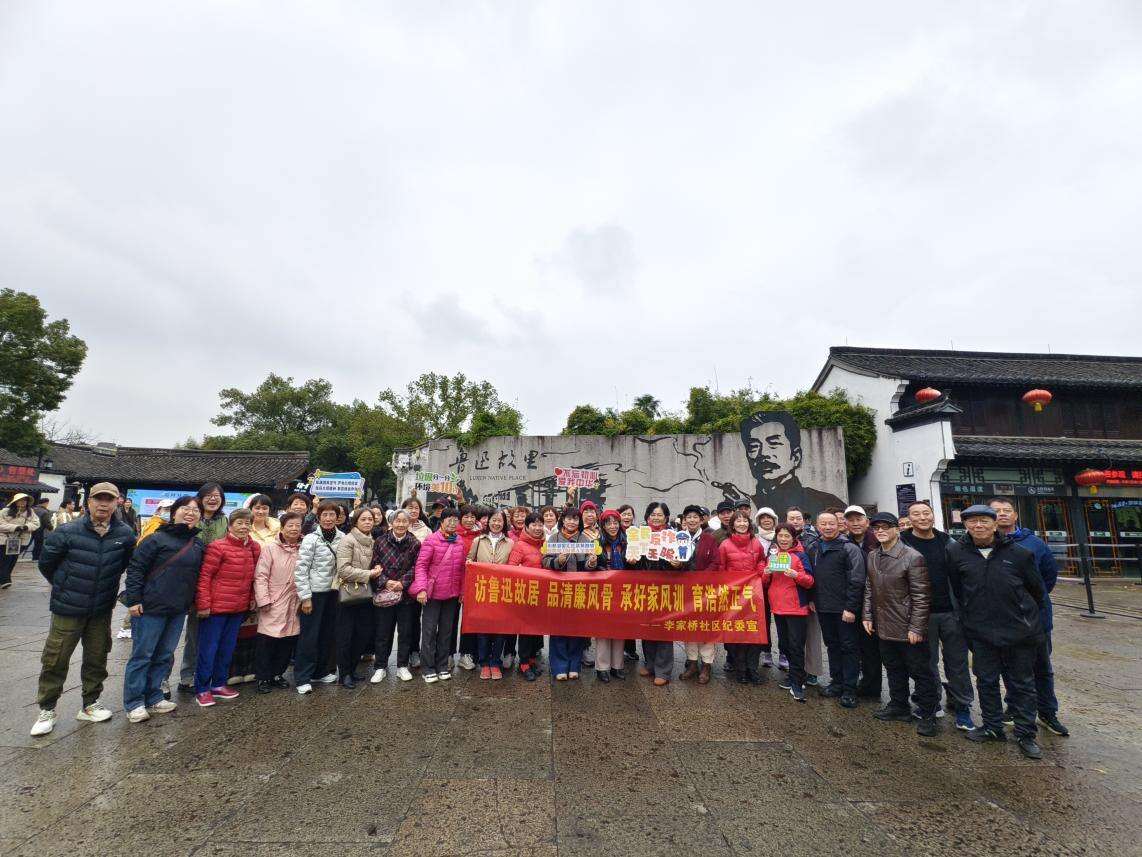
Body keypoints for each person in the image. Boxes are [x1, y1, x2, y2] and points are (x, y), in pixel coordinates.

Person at [30, 483, 135, 736]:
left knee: (97, 657)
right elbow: (47, 564)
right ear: (89, 502)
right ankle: (47, 708)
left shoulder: (124, 534)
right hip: (68, 608)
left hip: (101, 608)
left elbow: (126, 565)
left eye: (109, 499)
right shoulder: (68, 531)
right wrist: (65, 585)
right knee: (56, 658)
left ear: (116, 503)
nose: (103, 504)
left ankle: (90, 703)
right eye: (98, 499)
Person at [947, 504, 1046, 759]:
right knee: (986, 680)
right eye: (972, 521)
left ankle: (1025, 733)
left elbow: (1037, 590)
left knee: (1022, 684)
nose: (978, 525)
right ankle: (992, 726)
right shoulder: (956, 552)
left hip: (1018, 630)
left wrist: (1027, 619)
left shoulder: (1019, 553)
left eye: (984, 520)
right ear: (965, 525)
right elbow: (958, 589)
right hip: (981, 630)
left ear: (994, 524)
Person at [990, 497, 1068, 738]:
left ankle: (1047, 711)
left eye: (1007, 510)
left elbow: (1048, 577)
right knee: (1008, 667)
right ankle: (1014, 707)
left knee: (1041, 668)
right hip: (1001, 618)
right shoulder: (984, 544)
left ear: (1015, 515)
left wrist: (1030, 601)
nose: (1002, 514)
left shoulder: (1034, 544)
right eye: (996, 511)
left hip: (1035, 619)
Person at [121, 496, 204, 722]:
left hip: (177, 609)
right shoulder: (156, 539)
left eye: (196, 510)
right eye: (185, 508)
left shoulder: (197, 544)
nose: (191, 513)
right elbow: (136, 569)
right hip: (150, 607)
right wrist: (134, 600)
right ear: (174, 513)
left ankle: (154, 696)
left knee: (164, 655)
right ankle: (134, 702)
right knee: (143, 655)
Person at [862, 512, 939, 737]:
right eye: (876, 528)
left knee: (921, 672)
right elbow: (869, 588)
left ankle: (928, 714)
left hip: (907, 626)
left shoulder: (912, 557)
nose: (880, 531)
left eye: (886, 527)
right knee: (894, 668)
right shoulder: (873, 555)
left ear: (897, 529)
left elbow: (922, 597)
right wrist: (867, 615)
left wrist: (916, 627)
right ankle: (899, 705)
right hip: (883, 624)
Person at [902, 500, 975, 730]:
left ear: (933, 516)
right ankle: (931, 703)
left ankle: (963, 707)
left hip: (950, 612)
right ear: (909, 519)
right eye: (916, 514)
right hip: (921, 615)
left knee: (957, 663)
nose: (922, 518)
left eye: (926, 513)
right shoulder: (902, 543)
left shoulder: (949, 543)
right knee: (926, 663)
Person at [194, 508, 259, 706]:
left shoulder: (253, 548)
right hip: (216, 608)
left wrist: (251, 599)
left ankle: (219, 684)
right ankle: (202, 689)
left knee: (227, 648)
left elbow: (253, 578)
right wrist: (203, 604)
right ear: (230, 526)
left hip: (238, 608)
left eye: (247, 523)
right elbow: (205, 576)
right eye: (239, 523)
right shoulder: (217, 547)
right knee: (208, 649)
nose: (244, 527)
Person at [805, 510, 865, 708]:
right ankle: (836, 682)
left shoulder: (849, 548)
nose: (828, 527)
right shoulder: (813, 547)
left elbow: (857, 580)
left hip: (844, 609)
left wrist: (851, 607)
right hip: (823, 606)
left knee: (849, 647)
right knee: (832, 645)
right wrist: (812, 598)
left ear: (839, 525)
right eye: (823, 524)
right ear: (817, 526)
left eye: (831, 523)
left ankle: (850, 689)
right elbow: (811, 576)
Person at [175, 482, 229, 695]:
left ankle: (201, 675)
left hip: (216, 582)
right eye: (208, 495)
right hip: (188, 579)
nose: (213, 499)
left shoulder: (225, 521)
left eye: (217, 496)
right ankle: (185, 676)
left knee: (205, 632)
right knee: (189, 632)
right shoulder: (191, 518)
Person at [737, 411, 845, 515]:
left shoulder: (827, 504)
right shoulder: (743, 506)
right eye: (753, 447)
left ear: (796, 456)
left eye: (774, 443)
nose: (763, 453)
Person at [410, 507, 467, 684]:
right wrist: (421, 589)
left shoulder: (460, 541)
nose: (452, 523)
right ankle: (427, 668)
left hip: (452, 595)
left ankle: (442, 666)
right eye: (449, 519)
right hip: (433, 594)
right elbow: (421, 566)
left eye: (455, 520)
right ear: (441, 522)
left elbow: (463, 569)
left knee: (446, 632)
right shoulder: (431, 540)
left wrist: (462, 591)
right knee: (429, 631)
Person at [293, 501, 344, 694]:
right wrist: (305, 597)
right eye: (325, 515)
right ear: (319, 517)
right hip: (314, 594)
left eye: (332, 515)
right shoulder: (311, 539)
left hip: (334, 593)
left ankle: (320, 671)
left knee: (327, 634)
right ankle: (302, 677)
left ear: (337, 517)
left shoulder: (342, 537)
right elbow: (301, 569)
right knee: (309, 636)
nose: (329, 518)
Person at [542, 507, 597, 680]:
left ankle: (574, 665)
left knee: (576, 628)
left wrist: (591, 563)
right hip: (558, 591)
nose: (572, 522)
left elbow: (588, 565)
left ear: (579, 522)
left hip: (578, 591)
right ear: (563, 520)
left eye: (575, 519)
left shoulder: (585, 539)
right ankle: (559, 666)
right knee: (558, 628)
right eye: (568, 518)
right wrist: (557, 560)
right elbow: (544, 561)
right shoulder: (553, 538)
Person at [253, 511, 302, 693]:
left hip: (295, 601)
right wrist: (263, 599)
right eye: (290, 525)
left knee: (288, 640)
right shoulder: (271, 548)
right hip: (274, 600)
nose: (294, 529)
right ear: (282, 527)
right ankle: (263, 677)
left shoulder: (304, 547)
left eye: (297, 525)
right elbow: (261, 576)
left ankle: (277, 674)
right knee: (268, 640)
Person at [763, 523, 814, 701]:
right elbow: (765, 582)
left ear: (793, 538)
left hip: (796, 608)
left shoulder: (801, 555)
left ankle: (797, 683)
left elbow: (810, 581)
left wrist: (796, 575)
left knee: (796, 646)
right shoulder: (773, 555)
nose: (783, 539)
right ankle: (794, 675)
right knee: (784, 645)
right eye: (780, 536)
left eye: (787, 536)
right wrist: (766, 572)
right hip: (778, 607)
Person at [333, 507, 382, 688]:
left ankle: (352, 669)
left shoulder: (373, 541)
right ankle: (344, 674)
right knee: (346, 636)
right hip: (349, 594)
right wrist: (370, 574)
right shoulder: (348, 540)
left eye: (370, 519)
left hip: (366, 594)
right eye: (363, 519)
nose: (368, 522)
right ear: (355, 522)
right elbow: (343, 570)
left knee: (362, 634)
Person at [371, 509, 422, 683]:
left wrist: (402, 583)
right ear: (391, 522)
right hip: (384, 593)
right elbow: (374, 564)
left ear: (409, 523)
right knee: (383, 632)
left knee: (405, 632)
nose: (400, 524)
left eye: (404, 521)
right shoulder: (380, 541)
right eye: (397, 521)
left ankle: (402, 665)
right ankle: (380, 666)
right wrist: (385, 582)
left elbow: (417, 567)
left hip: (405, 595)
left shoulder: (415, 543)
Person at [718, 510, 767, 685]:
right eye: (738, 521)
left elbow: (762, 561)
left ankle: (752, 669)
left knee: (754, 632)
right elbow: (720, 569)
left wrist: (760, 572)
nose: (742, 524)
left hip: (753, 595)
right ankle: (740, 669)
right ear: (732, 525)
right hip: (734, 595)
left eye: (745, 520)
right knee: (736, 633)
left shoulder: (756, 543)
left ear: (749, 523)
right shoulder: (725, 545)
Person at [468, 509, 514, 680]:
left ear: (504, 523)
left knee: (501, 629)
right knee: (483, 629)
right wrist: (469, 563)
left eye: (499, 521)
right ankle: (484, 663)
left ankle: (495, 662)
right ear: (488, 522)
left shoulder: (510, 543)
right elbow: (470, 560)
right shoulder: (478, 540)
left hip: (502, 591)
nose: (496, 523)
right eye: (493, 520)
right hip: (482, 591)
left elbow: (514, 565)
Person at [844, 505, 883, 700]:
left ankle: (873, 688)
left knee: (872, 648)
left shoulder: (878, 541)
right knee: (858, 646)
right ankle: (866, 683)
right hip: (854, 601)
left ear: (867, 522)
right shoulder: (845, 542)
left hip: (877, 602)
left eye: (859, 519)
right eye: (851, 520)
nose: (855, 523)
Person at [679, 504, 720, 683]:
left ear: (701, 520)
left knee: (705, 627)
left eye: (695, 517)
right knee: (689, 626)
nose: (692, 520)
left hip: (704, 590)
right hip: (685, 590)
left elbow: (716, 562)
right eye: (689, 517)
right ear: (684, 520)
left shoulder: (709, 539)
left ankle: (706, 665)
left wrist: (702, 578)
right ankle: (692, 663)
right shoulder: (678, 538)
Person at [507, 511, 546, 681]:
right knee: (525, 630)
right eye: (534, 524)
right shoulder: (519, 545)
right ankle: (523, 663)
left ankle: (531, 660)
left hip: (541, 594)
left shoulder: (544, 544)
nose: (537, 528)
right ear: (527, 527)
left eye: (540, 524)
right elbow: (511, 569)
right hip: (525, 594)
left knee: (536, 629)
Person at [595, 509, 629, 683]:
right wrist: (594, 565)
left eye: (615, 522)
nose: (613, 526)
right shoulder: (596, 543)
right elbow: (590, 568)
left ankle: (617, 666)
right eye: (608, 523)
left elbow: (635, 567)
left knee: (619, 628)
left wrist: (632, 562)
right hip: (603, 591)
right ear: (603, 525)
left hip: (623, 591)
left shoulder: (627, 542)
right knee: (602, 629)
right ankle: (602, 667)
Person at [1, 493, 40, 588]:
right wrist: (15, 527)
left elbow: (36, 523)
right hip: (4, 539)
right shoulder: (5, 511)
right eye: (20, 500)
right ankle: (5, 580)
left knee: (13, 560)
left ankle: (4, 577)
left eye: (25, 500)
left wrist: (26, 527)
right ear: (15, 501)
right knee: (5, 559)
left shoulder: (30, 512)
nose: (23, 502)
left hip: (20, 540)